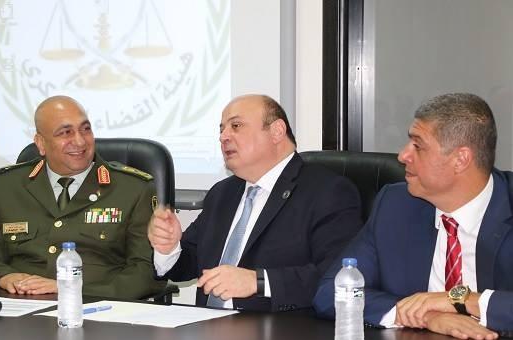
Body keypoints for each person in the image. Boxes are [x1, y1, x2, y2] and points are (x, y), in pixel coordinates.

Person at [313, 93, 513, 340]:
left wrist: (460, 300)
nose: (402, 156)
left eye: (418, 146)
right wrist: (424, 316)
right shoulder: (396, 205)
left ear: (461, 159)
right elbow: (332, 291)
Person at [148, 94, 362, 311]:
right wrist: (169, 248)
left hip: (281, 329)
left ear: (277, 131)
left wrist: (259, 282)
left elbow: (337, 275)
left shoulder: (327, 191)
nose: (223, 137)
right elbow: (188, 264)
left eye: (236, 126)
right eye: (221, 130)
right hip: (207, 326)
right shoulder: (222, 193)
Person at [0, 95, 166, 298]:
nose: (80, 141)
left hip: (96, 306)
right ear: (41, 143)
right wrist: (5, 277)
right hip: (21, 305)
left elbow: (144, 274)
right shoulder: (6, 186)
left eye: (86, 129)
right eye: (65, 132)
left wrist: (69, 287)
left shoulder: (133, 188)